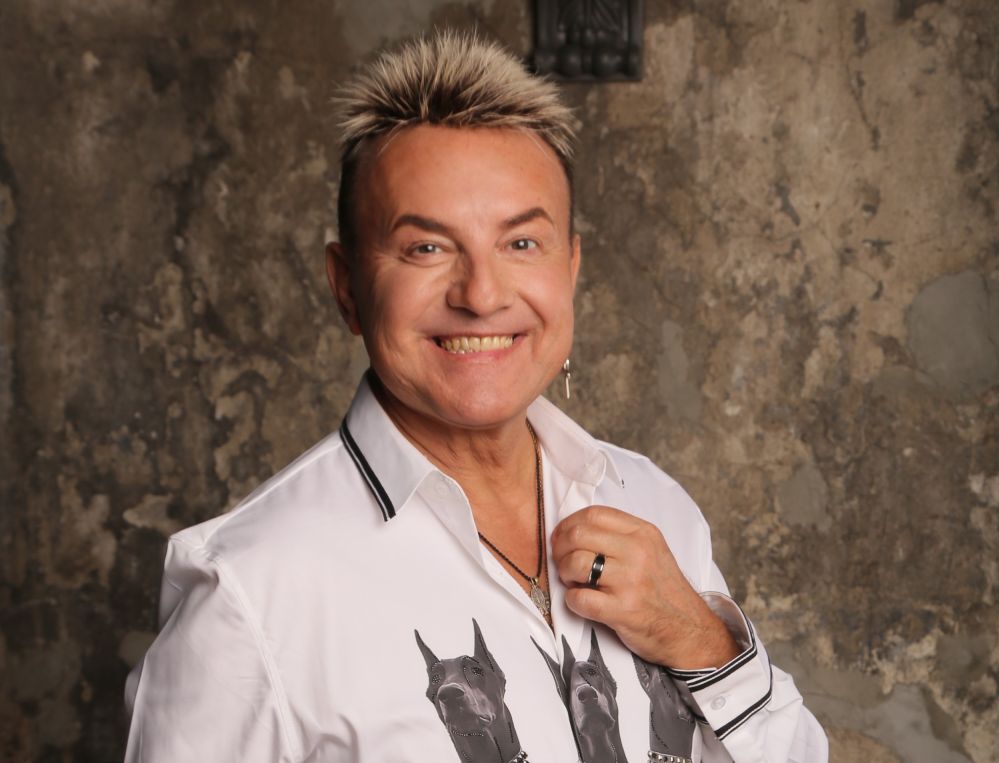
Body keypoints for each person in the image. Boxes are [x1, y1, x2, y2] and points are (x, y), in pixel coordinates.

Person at [125, 30, 827, 763]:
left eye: (521, 243)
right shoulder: (249, 593)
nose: (482, 295)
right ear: (347, 286)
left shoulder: (653, 503)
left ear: (570, 268)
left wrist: (705, 642)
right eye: (427, 248)